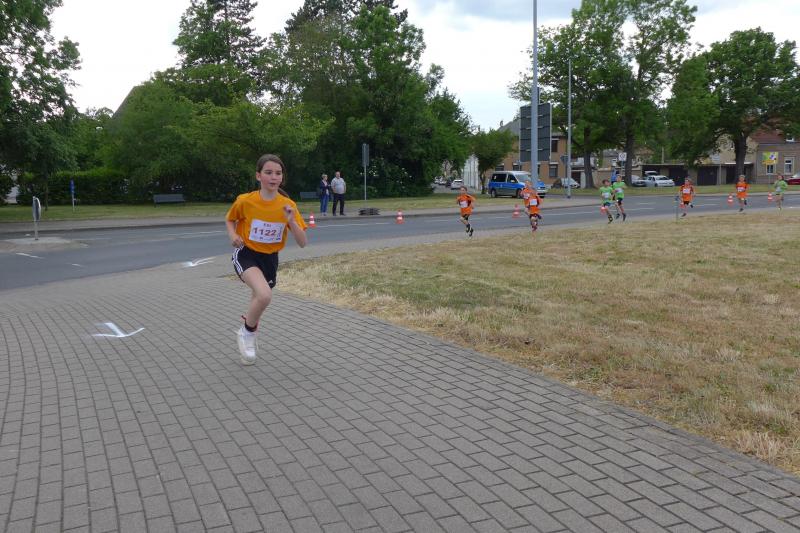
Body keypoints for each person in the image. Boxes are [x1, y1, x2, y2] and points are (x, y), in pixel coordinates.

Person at [225, 154, 308, 365]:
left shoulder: (288, 205)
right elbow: (230, 219)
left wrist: (292, 221)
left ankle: (248, 338)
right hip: (247, 254)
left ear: (282, 177)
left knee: (258, 299)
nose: (274, 177)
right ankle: (247, 333)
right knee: (264, 295)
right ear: (258, 176)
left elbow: (302, 242)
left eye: (278, 173)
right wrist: (233, 235)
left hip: (270, 259)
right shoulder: (246, 201)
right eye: (268, 172)